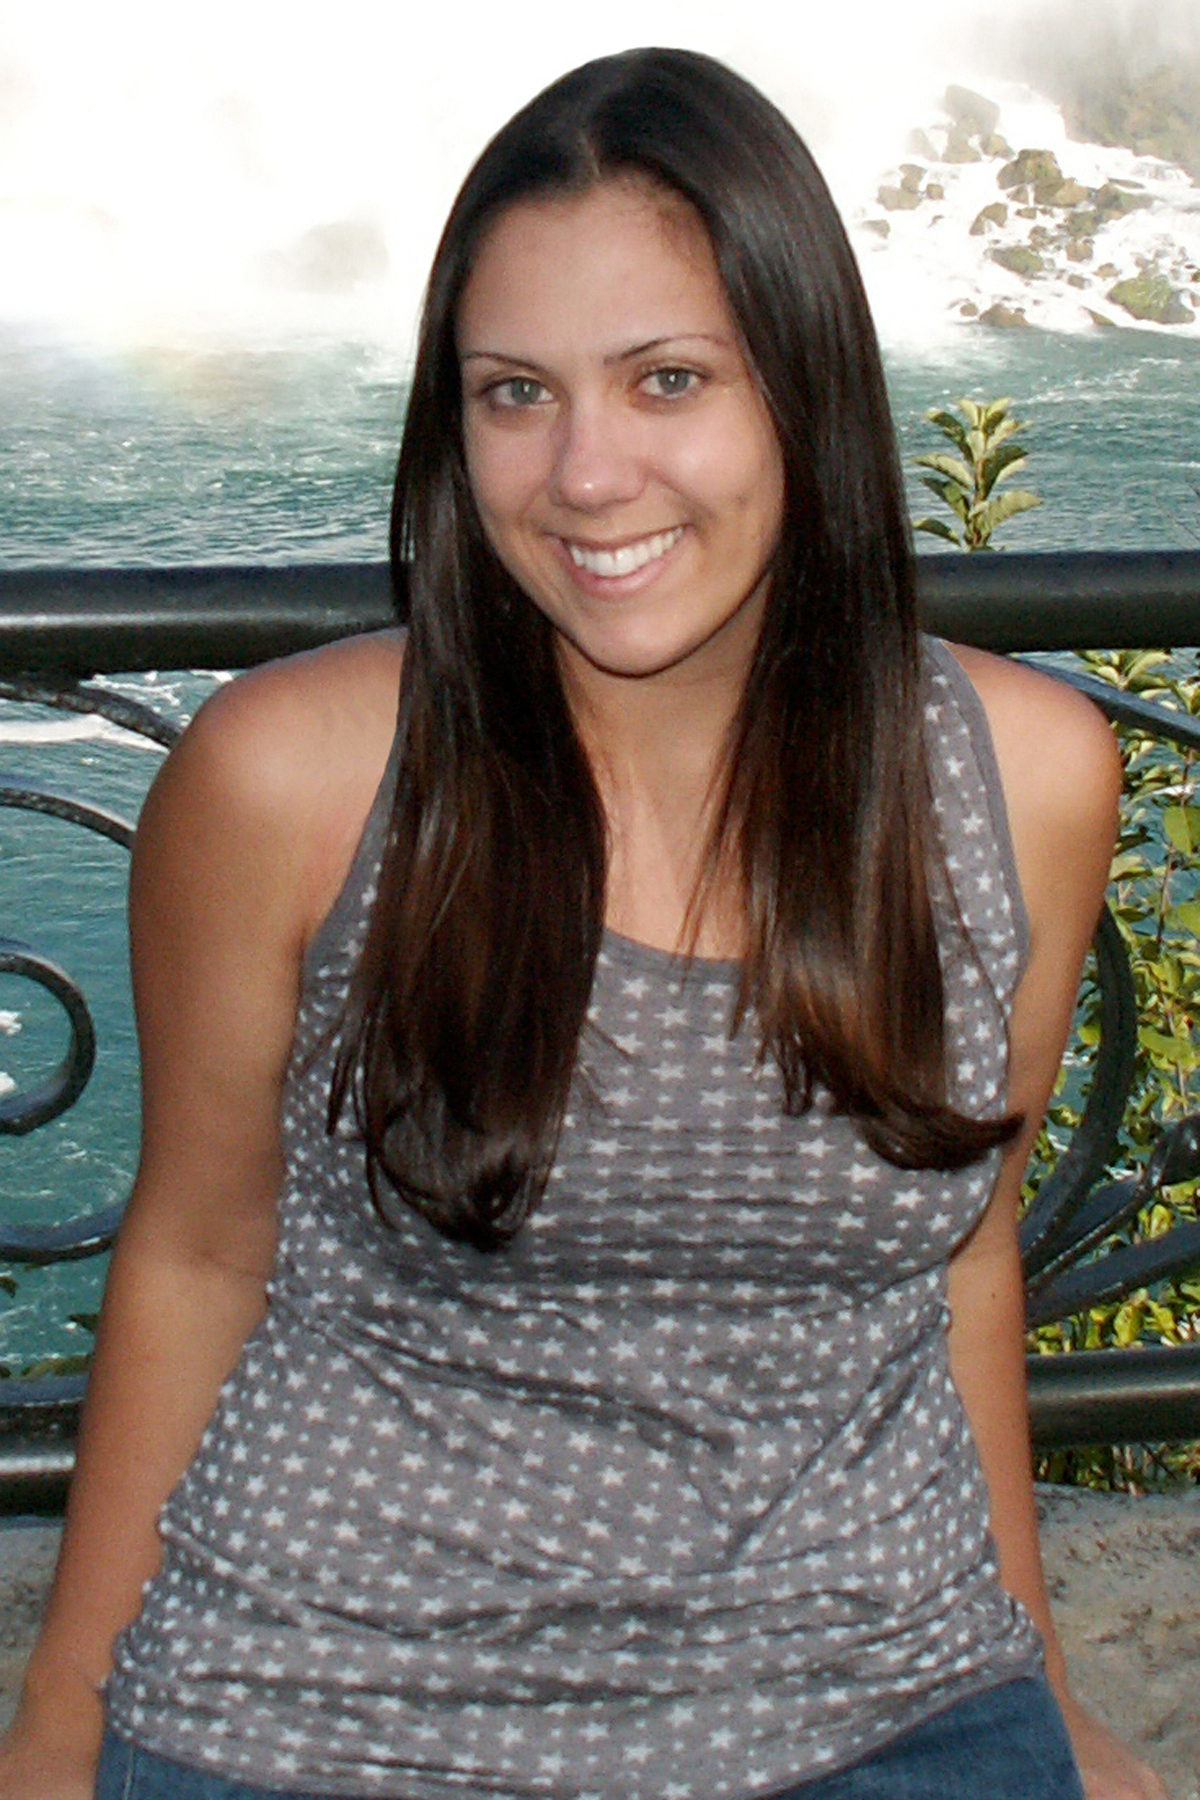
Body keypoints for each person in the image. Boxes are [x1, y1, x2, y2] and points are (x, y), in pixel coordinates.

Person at [0, 45, 1169, 1800]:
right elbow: (199, 1256)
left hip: (878, 1687)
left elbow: (966, 1259)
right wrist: (56, 1731)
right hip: (330, 1703)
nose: (585, 474)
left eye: (667, 378)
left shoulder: (1024, 777)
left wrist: (1038, 1688)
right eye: (515, 393)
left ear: (808, 388)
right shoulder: (294, 782)